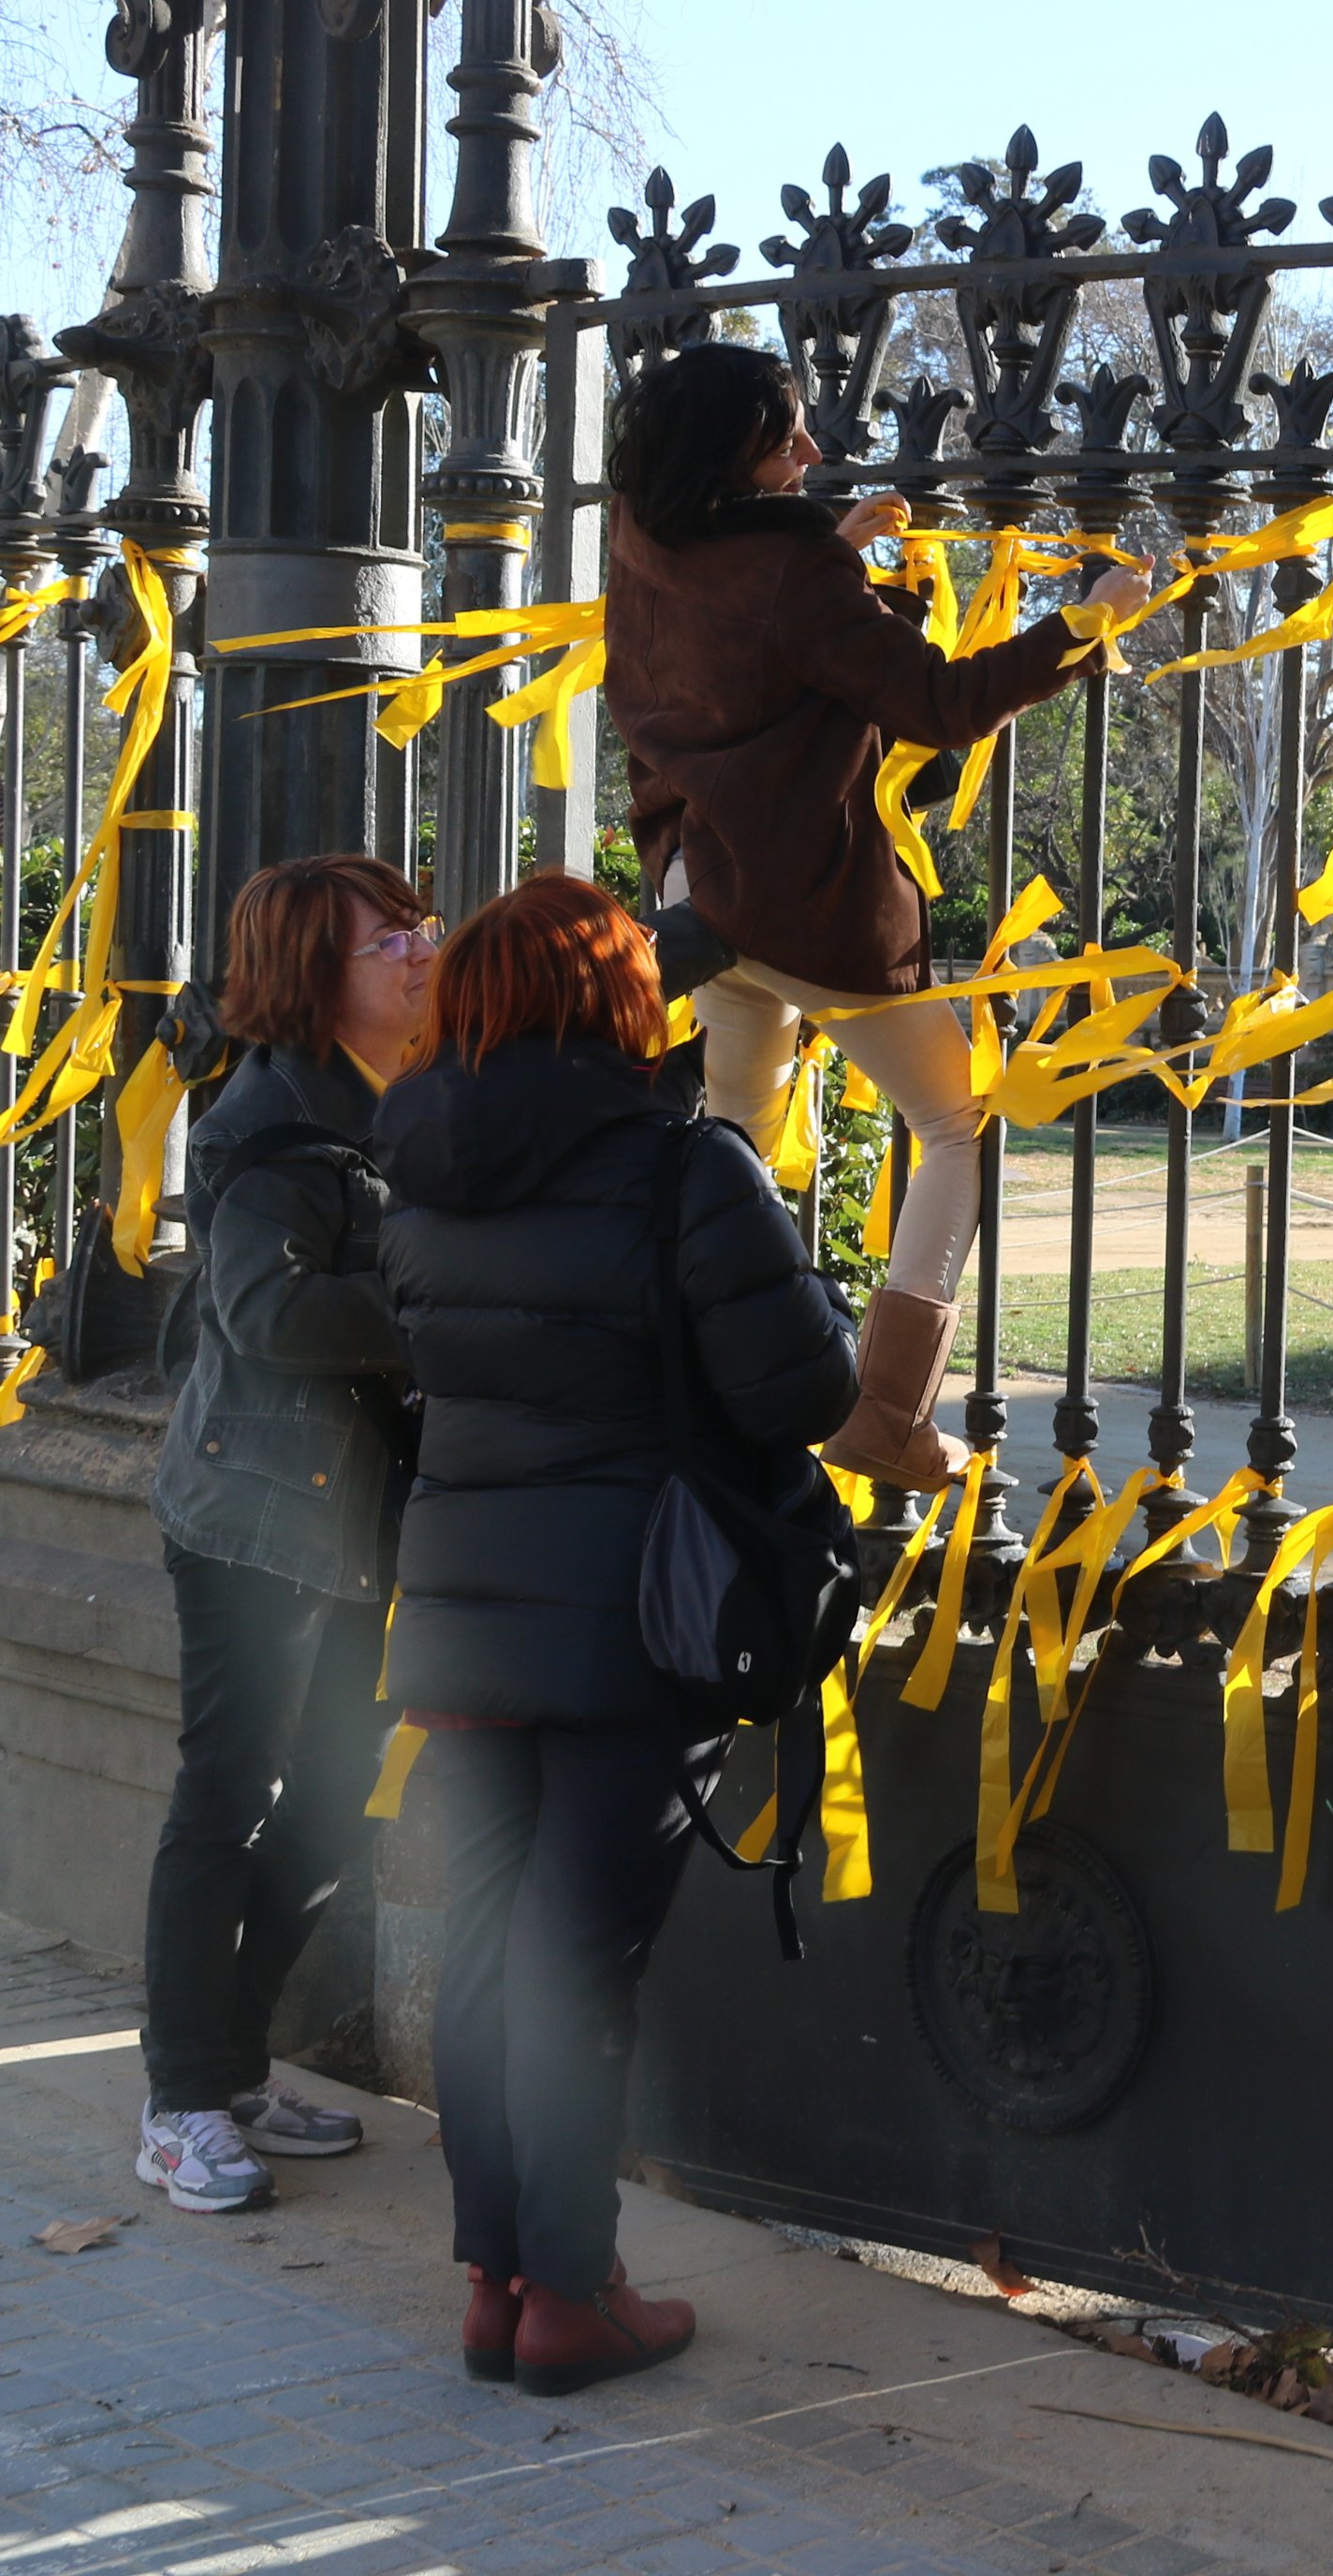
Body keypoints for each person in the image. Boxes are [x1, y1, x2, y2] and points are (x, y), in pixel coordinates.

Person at [373, 871, 860, 2395]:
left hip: (461, 1608)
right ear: (617, 998)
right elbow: (802, 1392)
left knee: (479, 1946)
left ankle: (495, 2277)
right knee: (576, 1965)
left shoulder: (419, 1157)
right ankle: (572, 2294)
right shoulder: (683, 1164)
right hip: (630, 1620)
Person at [601, 339, 1149, 1492]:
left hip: (699, 901)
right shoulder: (792, 576)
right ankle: (886, 1412)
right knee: (955, 1124)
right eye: (783, 436)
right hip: (804, 906)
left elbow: (743, 661)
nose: (811, 450)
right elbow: (942, 704)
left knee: (735, 1138)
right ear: (726, 455)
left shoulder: (643, 539)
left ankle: (710, 1368)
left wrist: (840, 558)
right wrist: (1086, 622)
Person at [139, 853, 437, 2213]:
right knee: (230, 1797)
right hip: (256, 1520)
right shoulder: (268, 1126)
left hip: (362, 1526)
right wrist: (442, 1308)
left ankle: (236, 2062)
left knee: (326, 1808)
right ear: (322, 977)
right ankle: (180, 2103)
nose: (425, 951)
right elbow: (268, 1311)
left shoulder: (403, 1099)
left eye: (423, 926)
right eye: (393, 939)